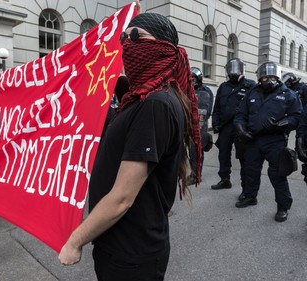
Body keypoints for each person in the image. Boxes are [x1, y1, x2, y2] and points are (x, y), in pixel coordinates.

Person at [58, 12, 201, 280]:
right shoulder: (143, 98)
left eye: (137, 36)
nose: (127, 43)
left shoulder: (155, 105)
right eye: (124, 37)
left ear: (164, 48)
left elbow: (122, 198)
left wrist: (75, 241)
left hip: (131, 256)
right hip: (121, 244)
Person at [234, 62, 301, 222]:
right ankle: (250, 196)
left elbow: (296, 117)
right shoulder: (252, 93)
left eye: (271, 76)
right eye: (265, 76)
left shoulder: (288, 94)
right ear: (260, 77)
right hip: (253, 139)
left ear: (277, 77)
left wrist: (280, 125)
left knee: (278, 174)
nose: (268, 79)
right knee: (250, 170)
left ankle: (283, 206)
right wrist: (241, 129)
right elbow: (240, 114)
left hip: (275, 141)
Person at [211, 58, 256, 199]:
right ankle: (225, 179)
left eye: (236, 69)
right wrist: (216, 123)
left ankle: (246, 188)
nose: (233, 72)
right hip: (225, 127)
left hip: (241, 127)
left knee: (244, 157)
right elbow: (217, 107)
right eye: (230, 69)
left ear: (242, 69)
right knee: (223, 153)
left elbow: (255, 108)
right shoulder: (223, 87)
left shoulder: (250, 86)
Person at [187, 67, 214, 185]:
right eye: (190, 78)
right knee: (190, 151)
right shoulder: (186, 90)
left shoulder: (205, 92)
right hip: (187, 125)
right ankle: (192, 172)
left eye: (194, 78)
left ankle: (196, 175)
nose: (192, 80)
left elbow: (205, 112)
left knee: (196, 152)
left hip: (199, 126)